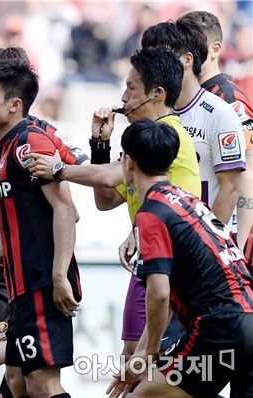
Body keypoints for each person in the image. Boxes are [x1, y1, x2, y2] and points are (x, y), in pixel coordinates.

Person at [25, 47, 201, 360]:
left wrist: (57, 168)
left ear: (157, 93)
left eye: (131, 88)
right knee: (133, 361)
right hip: (147, 265)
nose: (123, 99)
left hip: (177, 273)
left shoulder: (171, 136)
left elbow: (107, 178)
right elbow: (105, 200)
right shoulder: (143, 142)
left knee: (156, 370)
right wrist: (101, 144)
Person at [0, 46, 87, 398]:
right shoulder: (5, 144)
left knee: (43, 384)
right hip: (19, 284)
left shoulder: (30, 141)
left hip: (41, 281)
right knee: (18, 380)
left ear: (14, 103)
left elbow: (66, 210)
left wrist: (60, 275)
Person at [106, 118, 253, 398]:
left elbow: (159, 295)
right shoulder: (187, 199)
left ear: (128, 162)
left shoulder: (151, 213)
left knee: (142, 396)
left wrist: (146, 356)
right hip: (248, 319)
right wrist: (140, 354)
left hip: (220, 327)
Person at [141, 19, 246, 241]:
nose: (154, 67)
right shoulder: (153, 112)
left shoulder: (224, 107)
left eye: (162, 57)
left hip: (206, 244)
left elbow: (235, 186)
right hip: (164, 240)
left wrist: (208, 243)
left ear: (188, 59)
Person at [178, 10, 253, 250]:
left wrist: (238, 245)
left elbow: (248, 173)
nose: (188, 53)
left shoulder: (232, 102)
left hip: (223, 241)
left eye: (195, 45)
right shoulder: (186, 100)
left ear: (215, 49)